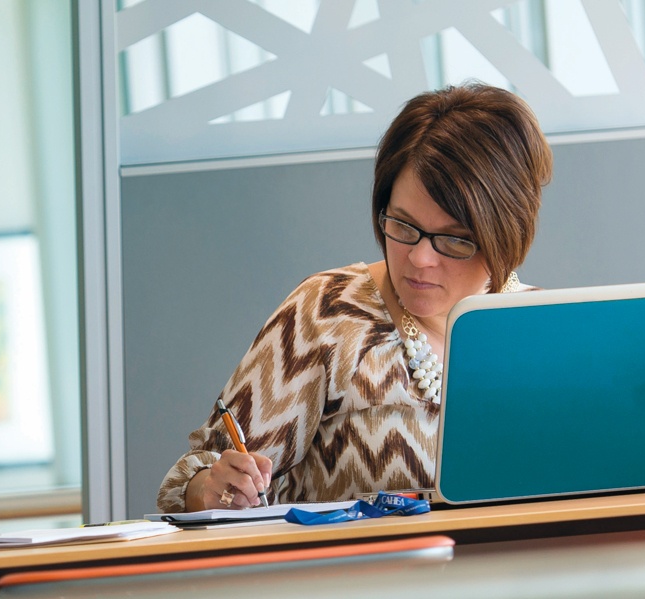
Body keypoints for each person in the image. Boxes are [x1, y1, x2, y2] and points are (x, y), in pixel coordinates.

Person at [156, 83, 554, 513]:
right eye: (402, 226)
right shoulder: (327, 312)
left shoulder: (546, 327)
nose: (419, 258)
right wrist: (210, 487)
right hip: (363, 577)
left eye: (454, 240)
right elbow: (190, 480)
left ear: (507, 236)